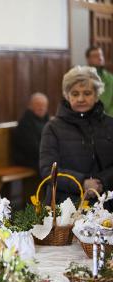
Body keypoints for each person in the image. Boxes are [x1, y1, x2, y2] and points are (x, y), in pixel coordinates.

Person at [40, 66, 113, 203]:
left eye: (87, 93)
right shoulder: (52, 128)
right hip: (65, 204)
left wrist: (101, 182)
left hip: (105, 202)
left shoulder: (110, 125)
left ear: (97, 95)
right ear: (67, 96)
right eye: (75, 94)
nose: (80, 99)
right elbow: (47, 170)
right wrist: (82, 183)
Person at [13, 92, 50, 171]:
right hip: (27, 159)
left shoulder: (48, 121)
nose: (41, 108)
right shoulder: (25, 123)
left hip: (42, 157)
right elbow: (32, 148)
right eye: (38, 105)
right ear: (30, 106)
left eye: (44, 105)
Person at [86, 46, 113, 116]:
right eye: (95, 56)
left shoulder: (110, 78)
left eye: (101, 55)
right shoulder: (82, 77)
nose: (100, 58)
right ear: (88, 60)